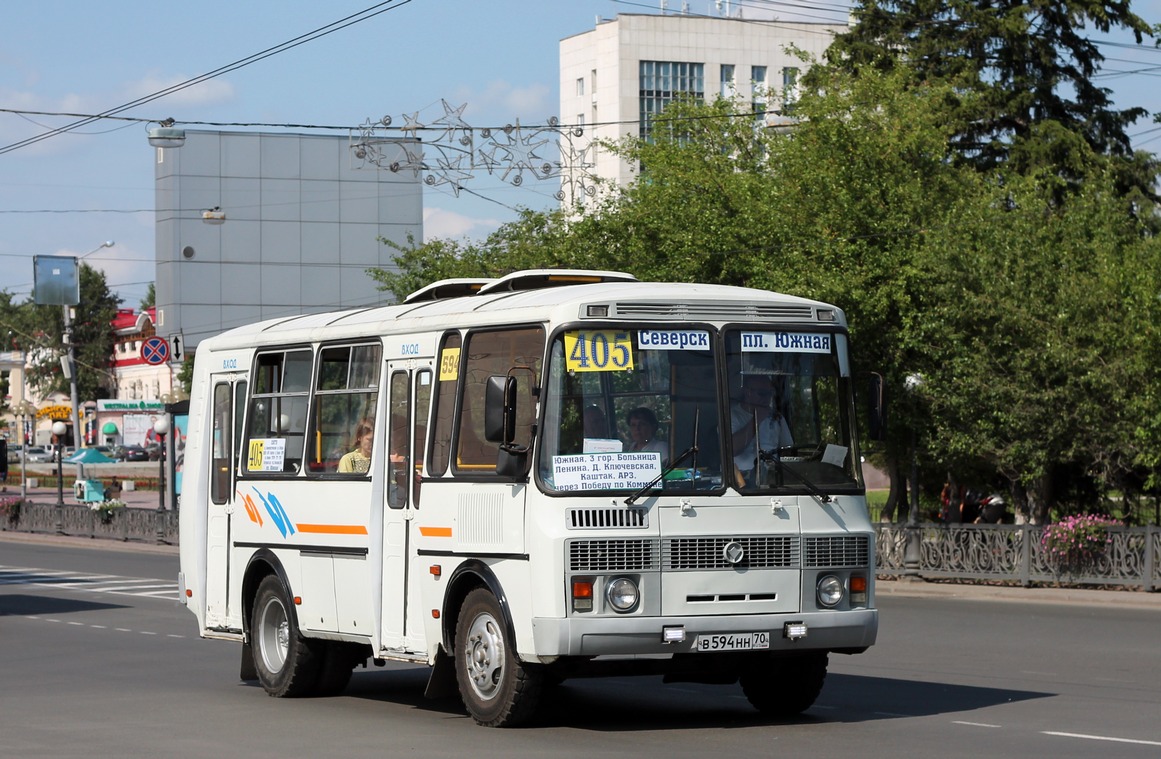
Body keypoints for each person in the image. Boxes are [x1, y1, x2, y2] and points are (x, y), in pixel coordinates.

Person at [731, 374, 793, 480]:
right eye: (762, 394)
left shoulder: (776, 418)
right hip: (741, 480)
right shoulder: (731, 416)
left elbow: (788, 450)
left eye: (769, 394)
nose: (766, 398)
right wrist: (757, 418)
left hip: (773, 477)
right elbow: (733, 448)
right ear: (747, 392)